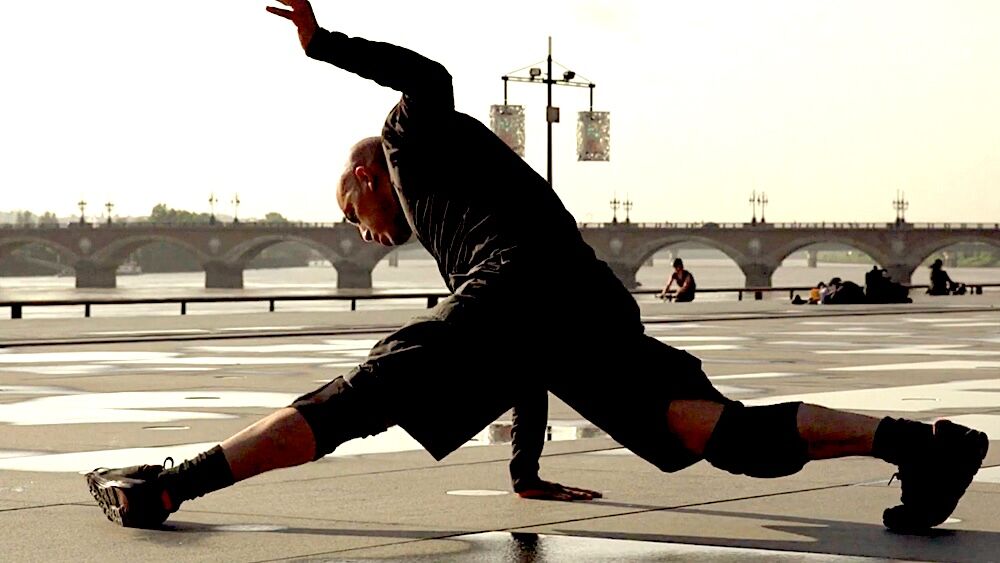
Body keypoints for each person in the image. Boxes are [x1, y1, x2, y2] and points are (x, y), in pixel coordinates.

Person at [86, 0, 988, 534]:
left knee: (362, 393)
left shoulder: (405, 142)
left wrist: (327, 47)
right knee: (724, 437)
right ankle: (924, 445)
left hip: (521, 284)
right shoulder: (460, 208)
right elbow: (522, 349)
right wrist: (522, 468)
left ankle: (175, 483)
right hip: (580, 301)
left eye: (347, 209)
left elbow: (429, 75)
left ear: (365, 175)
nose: (357, 228)